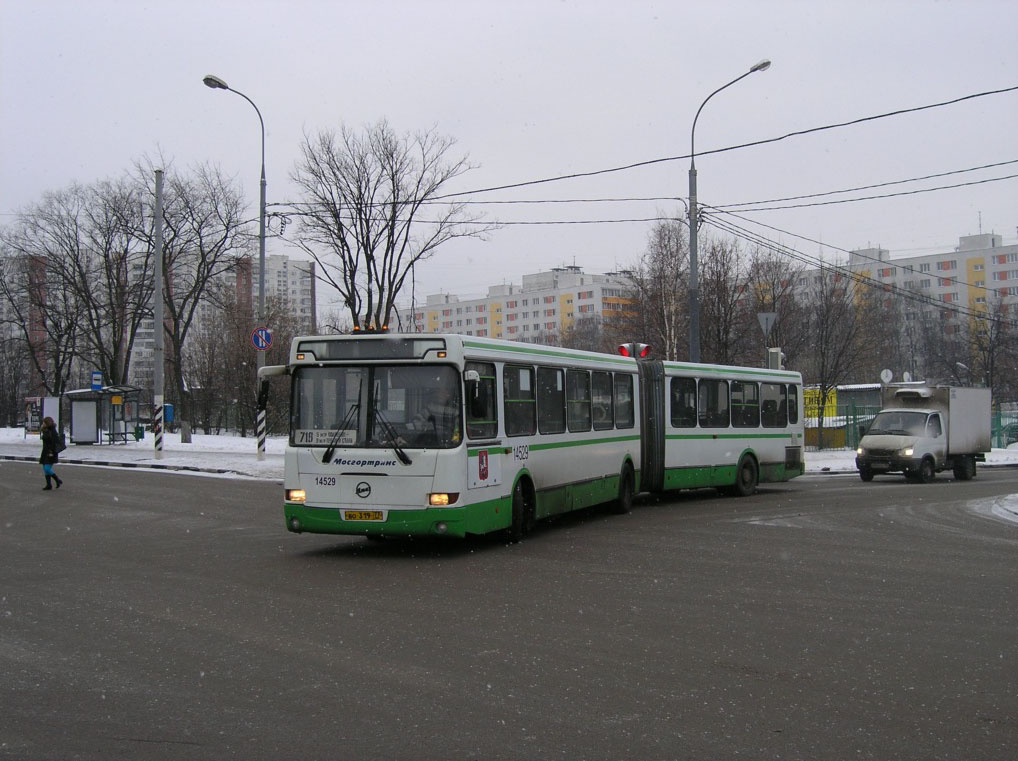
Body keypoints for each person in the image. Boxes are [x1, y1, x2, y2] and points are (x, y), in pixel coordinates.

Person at [39, 416, 64, 490]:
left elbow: (55, 442)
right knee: (45, 468)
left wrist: (51, 451)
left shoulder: (52, 431)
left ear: (47, 423)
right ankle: (48, 485)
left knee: (47, 468)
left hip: (51, 452)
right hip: (45, 451)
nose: (43, 424)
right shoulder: (45, 430)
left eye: (44, 422)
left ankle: (57, 480)